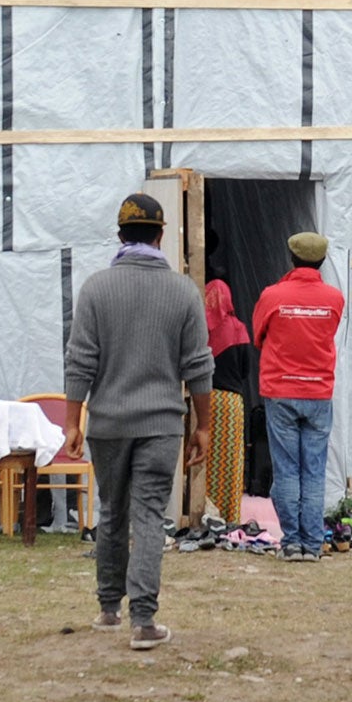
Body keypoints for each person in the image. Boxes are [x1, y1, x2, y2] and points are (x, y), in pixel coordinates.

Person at [64, 193, 213, 650]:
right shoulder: (184, 291)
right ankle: (143, 621)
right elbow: (199, 367)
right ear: (162, 235)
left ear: (120, 235)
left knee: (112, 512)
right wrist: (202, 426)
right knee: (149, 515)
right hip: (161, 424)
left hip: (108, 424)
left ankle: (109, 608)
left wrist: (73, 421)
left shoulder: (95, 289)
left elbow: (79, 363)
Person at [252, 230, 346, 562]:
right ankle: (312, 542)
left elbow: (259, 335)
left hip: (281, 390)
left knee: (287, 470)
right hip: (318, 392)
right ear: (321, 261)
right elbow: (328, 334)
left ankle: (291, 542)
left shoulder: (272, 295)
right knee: (314, 470)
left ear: (292, 258)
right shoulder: (335, 298)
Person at [203, 279, 254, 525]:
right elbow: (246, 371)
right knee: (231, 461)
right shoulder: (240, 329)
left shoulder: (202, 331)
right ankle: (230, 515)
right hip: (232, 403)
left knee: (207, 458)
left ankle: (207, 511)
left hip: (207, 401)